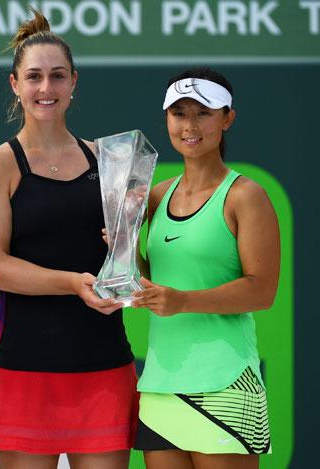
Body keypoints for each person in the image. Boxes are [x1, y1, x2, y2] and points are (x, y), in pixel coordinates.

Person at [0, 10, 138, 469]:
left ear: (74, 82)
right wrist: (74, 283)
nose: (46, 88)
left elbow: (127, 257)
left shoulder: (111, 160)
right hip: (26, 369)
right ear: (15, 85)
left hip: (104, 367)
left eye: (57, 76)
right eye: (35, 77)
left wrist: (131, 241)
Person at [132, 67, 279, 468]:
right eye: (179, 113)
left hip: (226, 385)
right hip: (161, 387)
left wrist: (182, 301)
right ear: (166, 119)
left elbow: (261, 290)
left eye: (203, 113)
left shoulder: (246, 196)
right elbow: (150, 279)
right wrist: (124, 255)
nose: (189, 125)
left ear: (227, 119)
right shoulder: (157, 196)